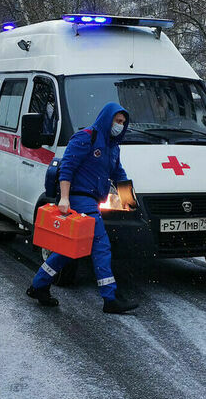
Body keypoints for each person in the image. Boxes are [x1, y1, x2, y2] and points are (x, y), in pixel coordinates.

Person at [27, 102, 138, 314]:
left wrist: (130, 202)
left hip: (93, 201)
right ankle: (110, 297)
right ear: (107, 118)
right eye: (118, 120)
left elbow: (118, 174)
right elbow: (67, 168)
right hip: (79, 199)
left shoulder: (113, 147)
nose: (120, 126)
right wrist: (65, 199)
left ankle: (39, 285)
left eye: (123, 122)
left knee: (69, 249)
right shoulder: (86, 137)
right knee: (101, 244)